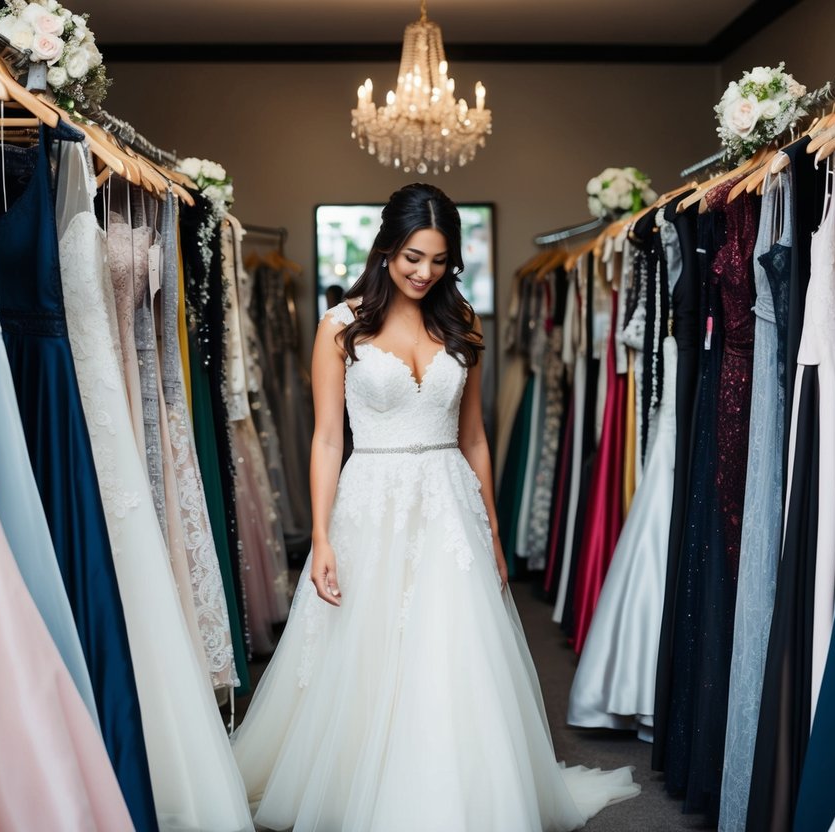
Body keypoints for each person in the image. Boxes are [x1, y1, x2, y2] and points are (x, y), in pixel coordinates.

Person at [231, 183, 639, 831]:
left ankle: (446, 788)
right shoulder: (340, 326)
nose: (425, 272)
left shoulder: (462, 322)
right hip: (370, 500)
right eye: (413, 257)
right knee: (366, 652)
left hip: (449, 503)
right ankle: (364, 780)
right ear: (387, 248)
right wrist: (322, 539)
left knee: (450, 652)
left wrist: (494, 533)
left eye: (439, 260)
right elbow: (326, 437)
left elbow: (474, 436)